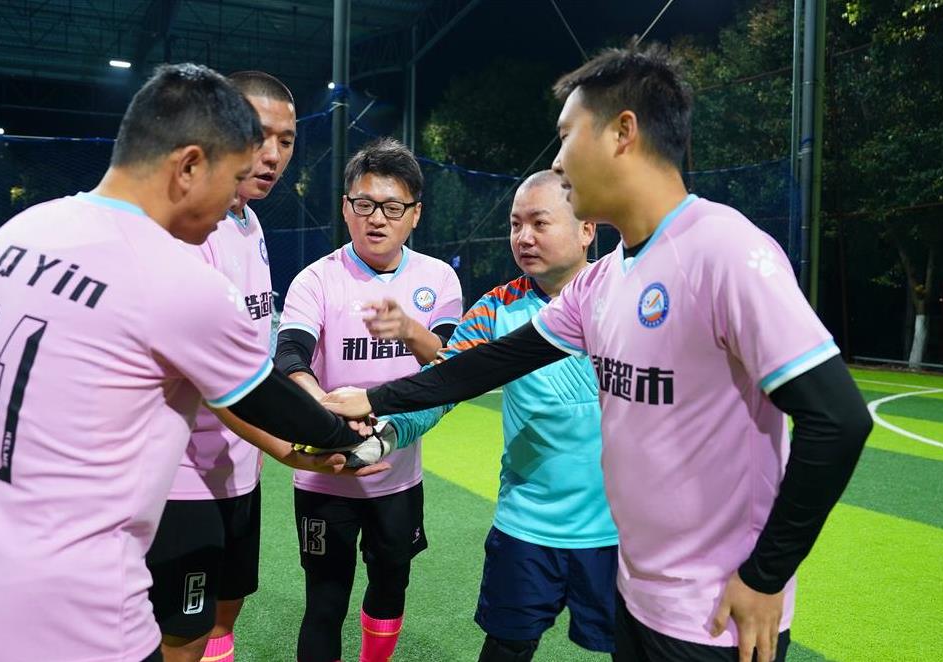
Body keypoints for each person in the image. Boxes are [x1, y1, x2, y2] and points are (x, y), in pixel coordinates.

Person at [322, 44, 873, 662]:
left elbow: (838, 420)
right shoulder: (604, 280)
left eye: (566, 136)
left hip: (717, 615)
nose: (558, 160)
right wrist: (374, 401)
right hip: (638, 594)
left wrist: (767, 575)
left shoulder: (726, 251)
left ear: (622, 133)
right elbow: (487, 363)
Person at [0, 63, 387, 662]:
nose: (227, 207)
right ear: (189, 166)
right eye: (231, 177)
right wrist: (350, 436)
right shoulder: (170, 276)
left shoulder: (16, 234)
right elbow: (266, 398)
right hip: (65, 615)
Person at [385, 170, 617, 661]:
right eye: (515, 224)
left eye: (539, 223)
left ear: (586, 229)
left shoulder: (626, 297)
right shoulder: (497, 307)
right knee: (506, 649)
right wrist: (384, 434)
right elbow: (444, 382)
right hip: (527, 527)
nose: (523, 237)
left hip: (623, 532)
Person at [146, 70, 330, 662]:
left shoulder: (248, 221)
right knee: (180, 635)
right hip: (182, 477)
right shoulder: (186, 231)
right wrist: (290, 440)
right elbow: (210, 380)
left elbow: (250, 349)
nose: (272, 155)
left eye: (286, 140)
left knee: (226, 609)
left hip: (237, 465)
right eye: (257, 134)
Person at [275, 137, 463, 662]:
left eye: (392, 207)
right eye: (364, 204)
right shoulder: (316, 279)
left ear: (415, 214)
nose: (376, 218)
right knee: (324, 600)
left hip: (398, 477)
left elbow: (450, 365)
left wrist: (408, 330)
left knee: (389, 587)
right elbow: (290, 355)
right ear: (345, 208)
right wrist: (325, 410)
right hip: (326, 473)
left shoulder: (438, 279)